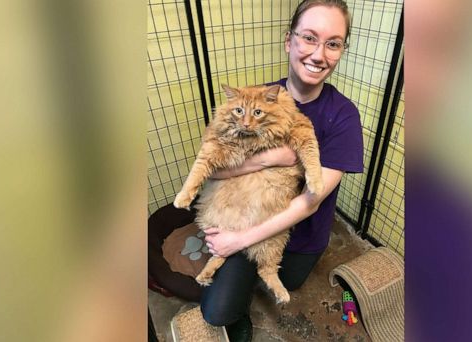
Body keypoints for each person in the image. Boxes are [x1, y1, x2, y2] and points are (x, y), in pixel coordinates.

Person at [148, 1, 363, 341]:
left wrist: (238, 242)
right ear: (288, 40)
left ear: (341, 50)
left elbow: (313, 197)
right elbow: (213, 168)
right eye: (309, 37)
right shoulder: (257, 98)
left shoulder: (344, 116)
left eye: (333, 43)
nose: (319, 54)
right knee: (217, 310)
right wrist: (271, 159)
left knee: (285, 279)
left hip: (298, 233)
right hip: (244, 212)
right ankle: (238, 300)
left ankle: (243, 265)